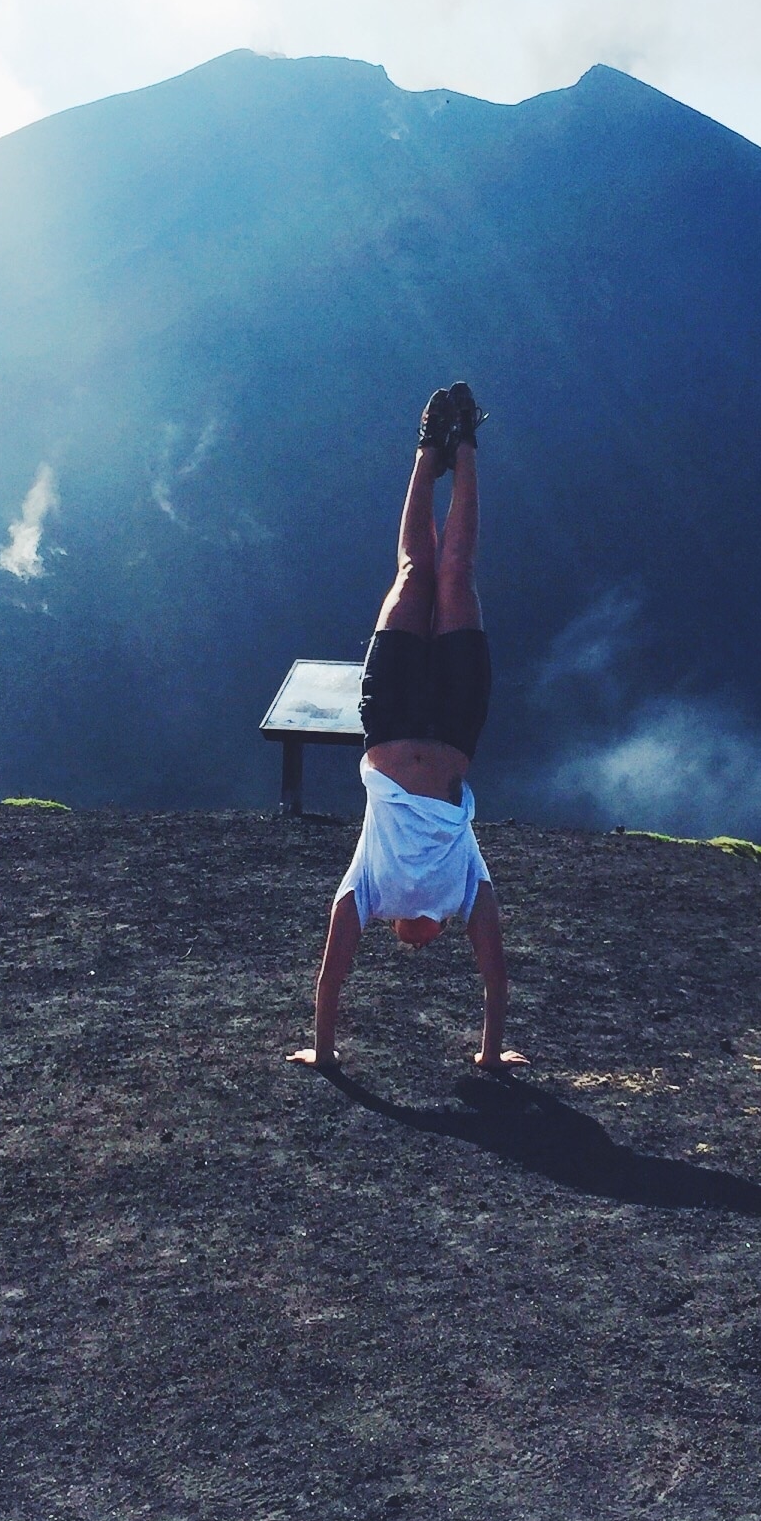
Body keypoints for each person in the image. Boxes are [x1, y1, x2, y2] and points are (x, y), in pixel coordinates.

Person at [290, 384, 526, 1076]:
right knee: (455, 572)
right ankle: (466, 444)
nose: (414, 941)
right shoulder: (462, 888)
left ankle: (431, 446)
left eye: (404, 941)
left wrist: (324, 1053)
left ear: (395, 927)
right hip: (455, 721)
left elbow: (332, 978)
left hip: (390, 716)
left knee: (417, 570)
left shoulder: (370, 889)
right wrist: (488, 1055)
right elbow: (496, 977)